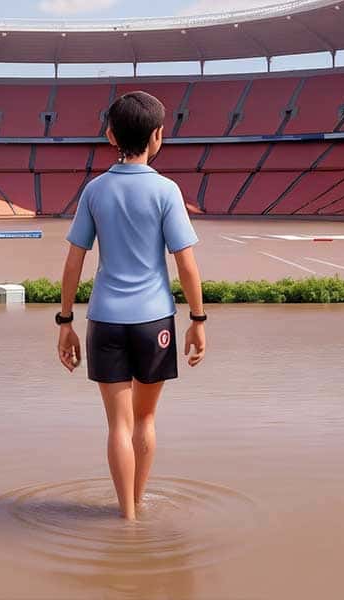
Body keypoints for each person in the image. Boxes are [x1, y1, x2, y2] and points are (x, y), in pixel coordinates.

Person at [55, 91, 207, 521]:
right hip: (154, 320)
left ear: (109, 134)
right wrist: (198, 320)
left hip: (105, 320)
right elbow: (187, 265)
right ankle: (139, 503)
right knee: (145, 421)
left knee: (118, 425)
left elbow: (73, 261)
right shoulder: (166, 190)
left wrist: (65, 322)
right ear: (157, 137)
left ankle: (127, 516)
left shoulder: (95, 190)